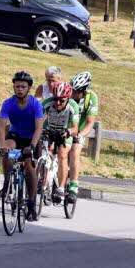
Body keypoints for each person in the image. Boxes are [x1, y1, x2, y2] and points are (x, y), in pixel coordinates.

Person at [0, 71, 45, 221]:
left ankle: (31, 203)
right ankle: (7, 183)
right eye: (17, 86)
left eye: (23, 87)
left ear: (29, 88)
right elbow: (1, 126)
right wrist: (2, 144)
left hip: (31, 138)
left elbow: (39, 128)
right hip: (16, 136)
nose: (19, 89)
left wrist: (32, 146)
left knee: (30, 166)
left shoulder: (35, 104)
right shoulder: (8, 103)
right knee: (7, 152)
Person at [40, 81, 81, 204]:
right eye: (56, 99)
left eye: (62, 101)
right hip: (50, 130)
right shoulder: (47, 103)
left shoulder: (73, 106)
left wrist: (68, 132)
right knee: (46, 152)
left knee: (63, 154)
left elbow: (75, 128)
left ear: (68, 99)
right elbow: (38, 121)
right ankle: (43, 181)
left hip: (65, 132)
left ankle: (61, 188)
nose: (58, 103)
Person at [68, 71, 99, 203]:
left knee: (75, 151)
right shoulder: (67, 92)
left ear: (84, 90)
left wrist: (80, 135)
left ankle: (73, 185)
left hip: (80, 129)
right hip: (67, 127)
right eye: (72, 90)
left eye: (76, 91)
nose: (73, 94)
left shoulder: (91, 98)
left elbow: (90, 123)